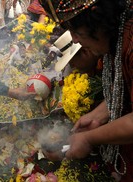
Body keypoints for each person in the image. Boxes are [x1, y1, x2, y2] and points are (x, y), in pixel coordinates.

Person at [39, 0, 133, 181]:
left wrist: (90, 138)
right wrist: (98, 115)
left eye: (77, 32)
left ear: (99, 21)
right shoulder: (115, 36)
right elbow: (123, 91)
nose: (74, 40)